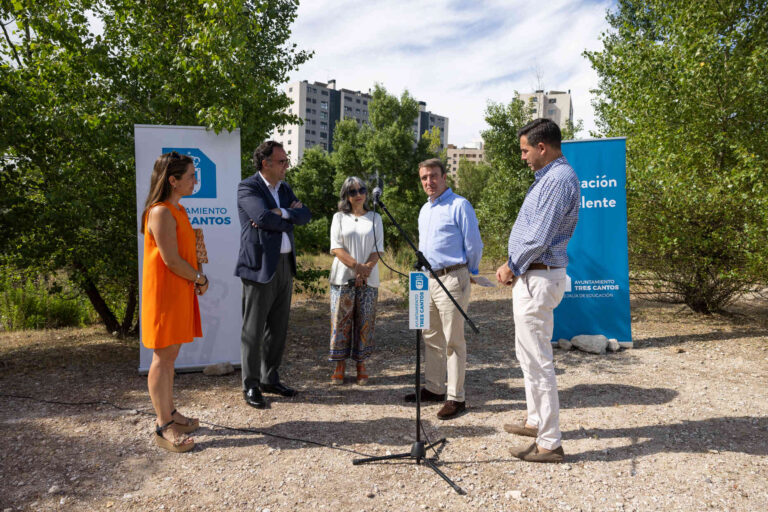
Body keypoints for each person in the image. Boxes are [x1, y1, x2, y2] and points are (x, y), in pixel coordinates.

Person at [495, 118, 580, 463]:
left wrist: (511, 266)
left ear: (542, 148)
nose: (523, 157)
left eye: (525, 150)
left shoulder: (558, 180)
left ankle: (550, 442)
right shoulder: (551, 178)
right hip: (534, 276)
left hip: (537, 277)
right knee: (528, 356)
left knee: (539, 361)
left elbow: (538, 237)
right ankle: (536, 421)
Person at [140, 151, 209, 453]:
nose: (195, 181)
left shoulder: (178, 210)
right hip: (166, 295)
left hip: (179, 292)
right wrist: (200, 279)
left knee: (170, 358)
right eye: (191, 175)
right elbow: (170, 260)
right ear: (173, 180)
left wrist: (196, 277)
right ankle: (163, 425)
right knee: (162, 358)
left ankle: (170, 414)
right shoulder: (161, 212)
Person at [235, 141, 311, 408]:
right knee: (253, 330)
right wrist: (284, 217)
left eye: (286, 160)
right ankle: (251, 385)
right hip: (259, 267)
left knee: (278, 328)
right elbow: (262, 218)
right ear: (265, 163)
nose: (286, 165)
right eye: (281, 161)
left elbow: (306, 216)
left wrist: (284, 212)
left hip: (284, 265)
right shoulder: (248, 187)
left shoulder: (284, 188)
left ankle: (270, 378)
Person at [407, 158, 483, 420]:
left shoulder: (459, 205)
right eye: (424, 178)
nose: (429, 182)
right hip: (427, 279)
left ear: (444, 177)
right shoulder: (424, 209)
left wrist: (469, 272)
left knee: (453, 339)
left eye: (433, 176)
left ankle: (456, 397)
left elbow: (473, 243)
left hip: (452, 277)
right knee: (431, 336)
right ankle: (434, 387)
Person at [328, 177, 384, 385]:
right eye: (353, 192)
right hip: (343, 278)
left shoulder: (375, 218)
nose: (358, 194)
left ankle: (361, 364)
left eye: (361, 190)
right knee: (340, 322)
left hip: (369, 278)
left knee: (365, 322)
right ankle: (339, 364)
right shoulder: (339, 218)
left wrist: (365, 271)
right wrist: (356, 268)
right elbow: (336, 247)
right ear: (346, 196)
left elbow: (378, 249)